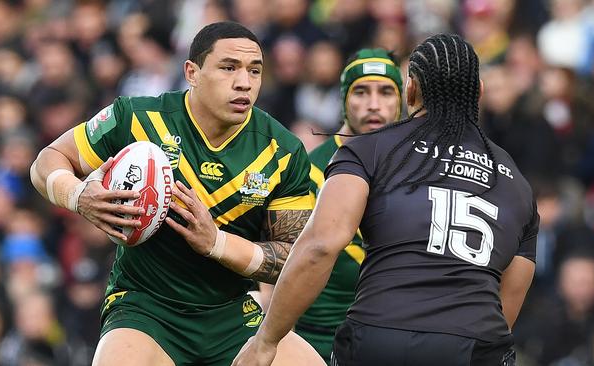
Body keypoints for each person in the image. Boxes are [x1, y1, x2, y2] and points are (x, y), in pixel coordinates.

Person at [233, 34, 538, 366]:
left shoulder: (371, 148)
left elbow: (320, 246)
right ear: (478, 92)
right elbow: (508, 303)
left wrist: (266, 340)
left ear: (409, 90)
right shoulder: (515, 181)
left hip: (380, 338)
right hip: (475, 347)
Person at [29, 21, 324, 366]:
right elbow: (46, 162)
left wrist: (216, 243)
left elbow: (293, 259)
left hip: (231, 313)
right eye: (229, 67)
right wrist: (80, 197)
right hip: (144, 308)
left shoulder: (282, 150)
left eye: (254, 71)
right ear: (192, 72)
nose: (244, 82)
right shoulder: (136, 118)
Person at [295, 48, 403, 363]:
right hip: (310, 335)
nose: (373, 104)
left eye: (385, 92)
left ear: (401, 100)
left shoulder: (417, 168)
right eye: (361, 91)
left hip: (387, 335)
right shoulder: (309, 169)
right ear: (344, 99)